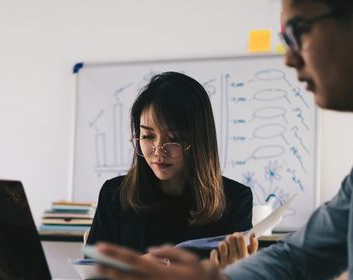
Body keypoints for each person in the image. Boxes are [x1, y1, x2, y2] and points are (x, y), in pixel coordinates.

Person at [96, 0, 353, 280]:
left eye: (297, 32)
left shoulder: (233, 197)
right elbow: (295, 263)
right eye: (147, 135)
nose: (288, 59)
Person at [86, 72, 258, 265]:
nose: (158, 150)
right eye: (148, 136)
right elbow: (91, 268)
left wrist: (238, 270)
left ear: (199, 140)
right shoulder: (114, 193)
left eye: (174, 139)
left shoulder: (235, 199)